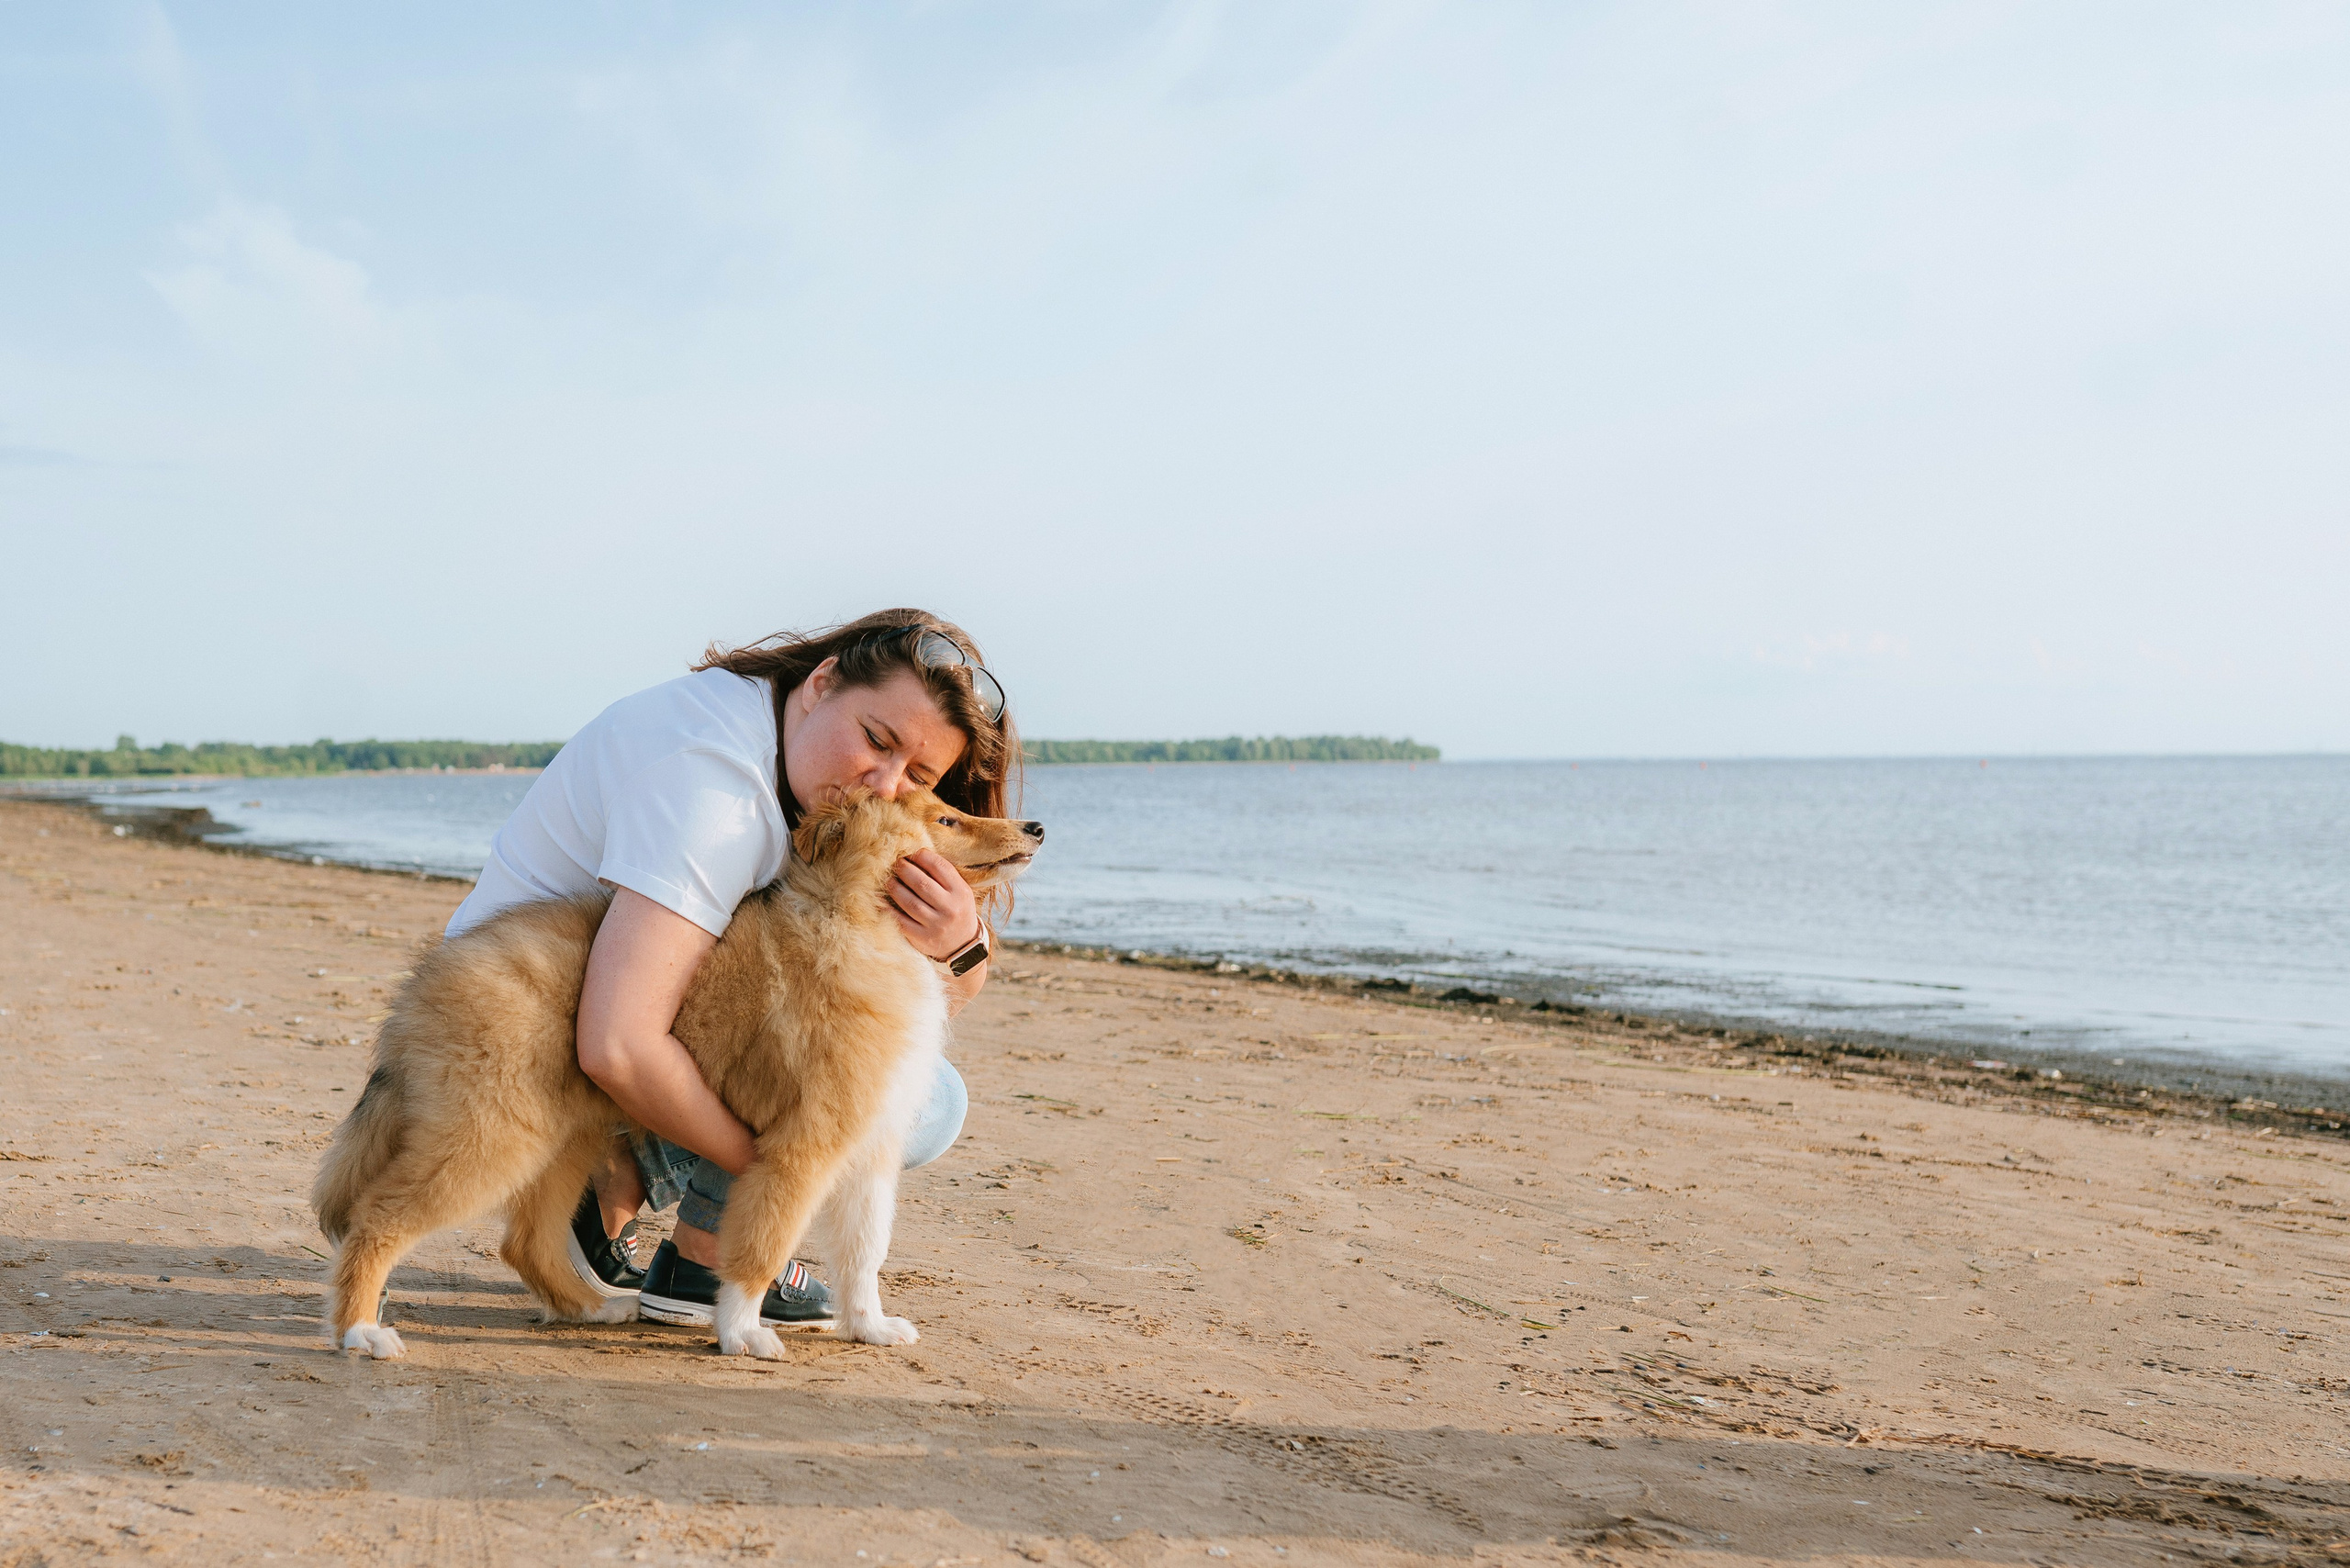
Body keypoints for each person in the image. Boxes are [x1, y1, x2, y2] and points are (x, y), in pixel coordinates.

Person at [442, 608, 1017, 1328]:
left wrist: (960, 942)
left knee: (922, 1094)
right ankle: (693, 1251)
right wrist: (782, 1176)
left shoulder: (809, 776)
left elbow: (914, 1016)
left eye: (918, 776)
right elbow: (617, 1046)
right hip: (513, 1053)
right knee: (884, 1095)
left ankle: (606, 1190)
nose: (883, 782)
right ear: (822, 682)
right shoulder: (715, 791)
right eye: (877, 739)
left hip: (573, 1019)